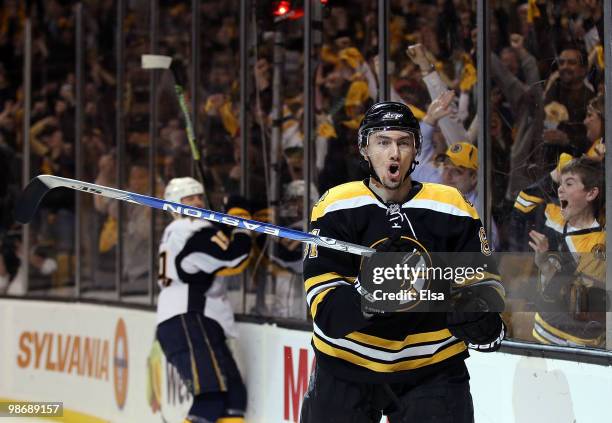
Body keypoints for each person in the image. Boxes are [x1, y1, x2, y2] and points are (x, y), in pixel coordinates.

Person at [300, 102, 505, 423]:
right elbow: (328, 315)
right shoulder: (335, 204)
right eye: (383, 142)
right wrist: (371, 290)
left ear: (417, 150)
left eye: (403, 142)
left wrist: (478, 313)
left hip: (432, 366)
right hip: (346, 363)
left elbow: (484, 289)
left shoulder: (452, 205)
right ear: (364, 149)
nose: (394, 153)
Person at [155, 177, 251, 423]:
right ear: (176, 205)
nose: (196, 202)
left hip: (194, 319)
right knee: (209, 398)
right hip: (186, 317)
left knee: (233, 399)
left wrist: (227, 224)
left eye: (199, 196)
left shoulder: (180, 231)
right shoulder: (187, 229)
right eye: (189, 199)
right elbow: (232, 257)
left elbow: (215, 249)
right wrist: (240, 222)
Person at [528, 157, 605, 347]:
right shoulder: (553, 218)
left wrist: (546, 265)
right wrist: (551, 176)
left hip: (574, 338)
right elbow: (522, 205)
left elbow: (577, 302)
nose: (560, 189)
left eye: (569, 184)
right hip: (543, 326)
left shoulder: (599, 242)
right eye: (560, 184)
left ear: (591, 193)